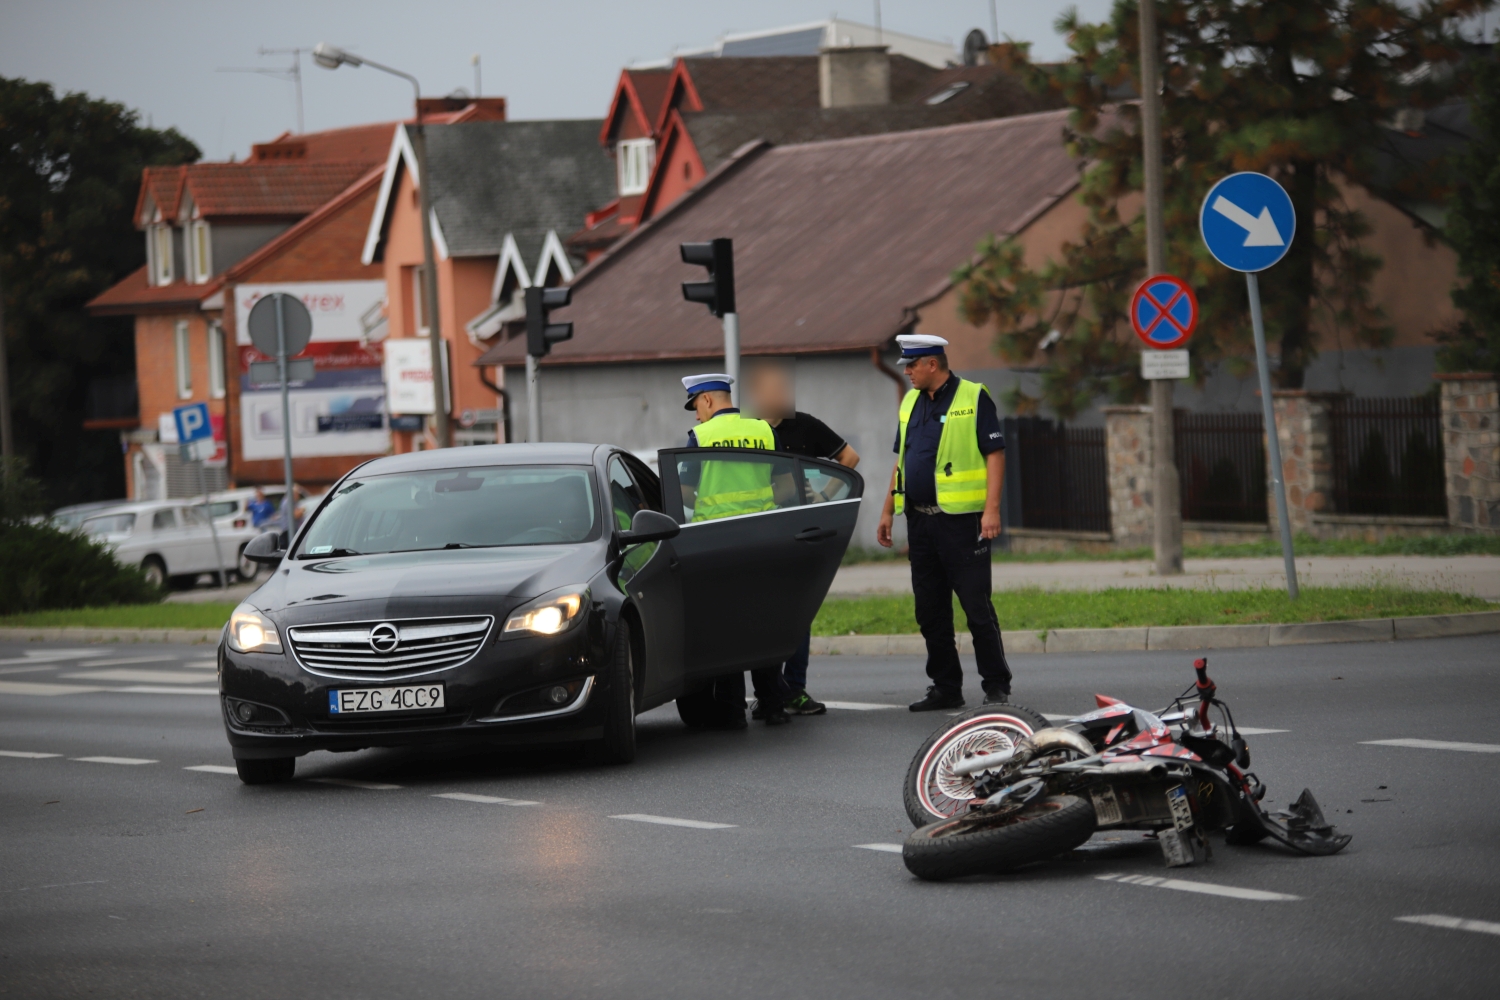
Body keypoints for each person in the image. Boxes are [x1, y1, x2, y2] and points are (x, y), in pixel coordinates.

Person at [876, 334, 1012, 711]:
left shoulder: (973, 396)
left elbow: (995, 454)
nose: (907, 372)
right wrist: (887, 510)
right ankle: (945, 686)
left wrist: (992, 510)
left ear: (932, 364)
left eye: (912, 365)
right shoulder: (909, 402)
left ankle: (997, 685)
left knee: (976, 607)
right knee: (930, 611)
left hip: (962, 523)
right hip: (919, 523)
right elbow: (901, 461)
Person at [746, 363, 860, 717]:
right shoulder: (749, 430)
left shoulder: (806, 425)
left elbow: (849, 458)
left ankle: (793, 690)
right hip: (761, 532)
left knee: (798, 614)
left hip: (800, 532)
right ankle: (769, 694)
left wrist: (825, 498)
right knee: (761, 615)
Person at [680, 373, 791, 727]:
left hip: (718, 542)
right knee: (765, 621)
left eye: (696, 406)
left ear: (708, 401)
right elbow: (787, 488)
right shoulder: (764, 431)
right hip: (764, 540)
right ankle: (772, 704)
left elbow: (683, 493)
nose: (696, 415)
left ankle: (731, 710)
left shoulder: (700, 436)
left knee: (724, 626)